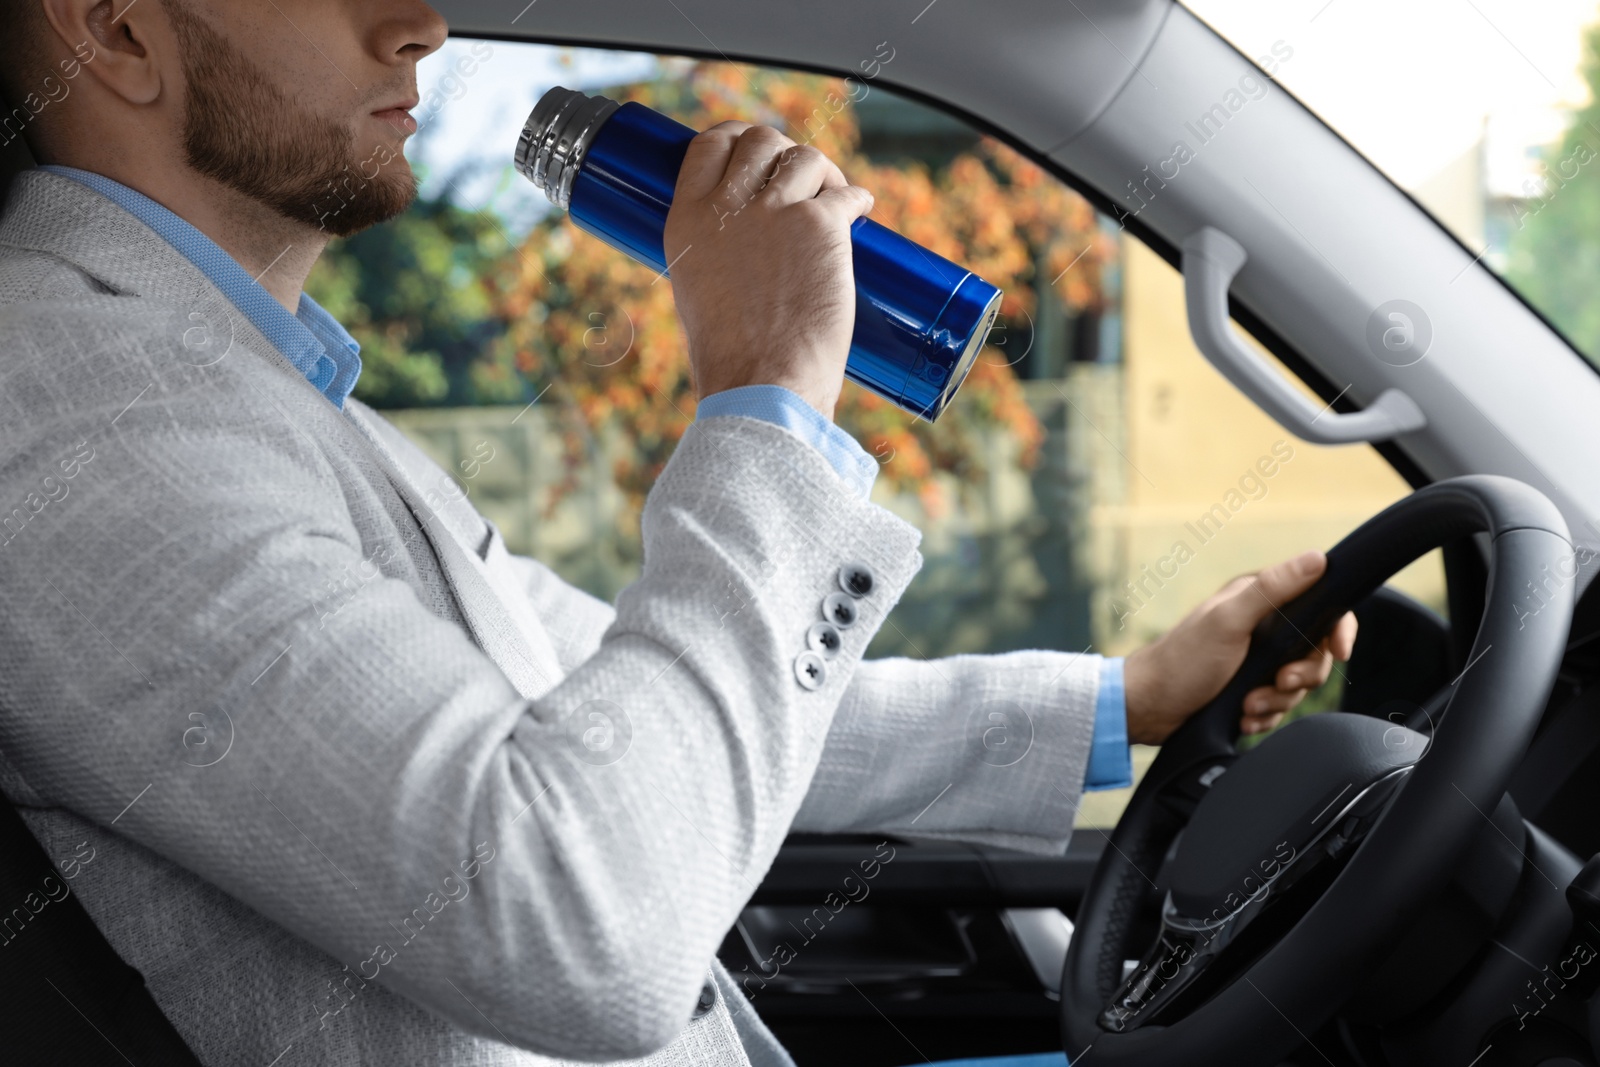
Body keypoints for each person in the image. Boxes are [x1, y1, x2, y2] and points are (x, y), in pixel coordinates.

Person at [0, 2, 1356, 1065]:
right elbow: (581, 915)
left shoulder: (249, 391)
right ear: (115, 28)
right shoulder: (76, 409)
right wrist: (764, 395)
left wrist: (1127, 701)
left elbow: (627, 713)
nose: (419, 21)